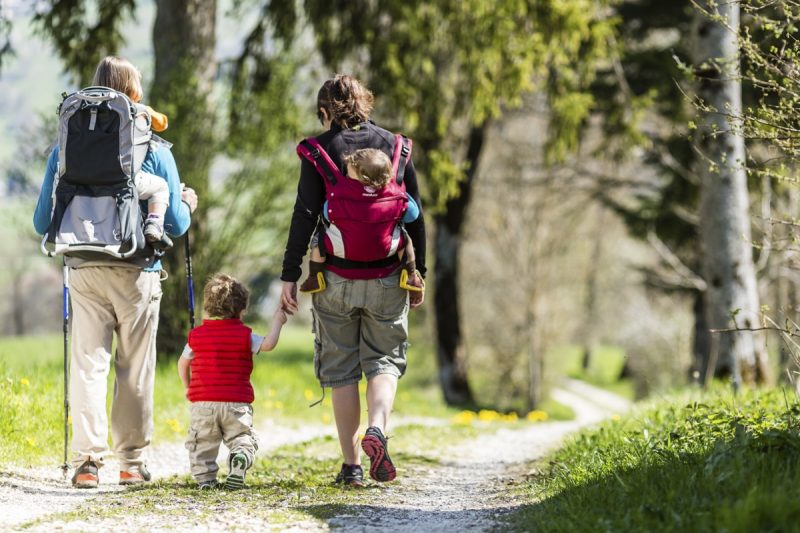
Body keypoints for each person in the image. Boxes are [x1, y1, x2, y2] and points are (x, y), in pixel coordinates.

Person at [33, 56, 198, 489]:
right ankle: (131, 461)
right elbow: (177, 226)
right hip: (137, 268)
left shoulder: (65, 148)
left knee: (88, 364)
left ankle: (87, 463)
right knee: (134, 367)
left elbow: (39, 222)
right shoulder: (156, 150)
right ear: (134, 94)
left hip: (84, 266)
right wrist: (186, 204)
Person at [280, 74, 426, 487]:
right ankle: (377, 428)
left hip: (335, 280)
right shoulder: (397, 149)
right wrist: (420, 273)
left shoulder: (318, 153)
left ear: (325, 111)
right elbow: (416, 217)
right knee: (383, 362)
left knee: (343, 371)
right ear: (367, 105)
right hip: (389, 278)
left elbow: (304, 216)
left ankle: (351, 467)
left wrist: (290, 275)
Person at [178, 274, 287, 490]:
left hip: (203, 405)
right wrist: (277, 322)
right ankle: (240, 456)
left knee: (202, 445)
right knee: (241, 437)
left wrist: (188, 386)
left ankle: (206, 481)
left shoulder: (196, 335)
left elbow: (182, 363)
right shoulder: (245, 335)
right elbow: (268, 345)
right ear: (242, 310)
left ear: (208, 308)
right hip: (236, 404)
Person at [299, 147, 424, 294]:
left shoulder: (341, 195)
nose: (346, 175)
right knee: (406, 240)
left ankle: (314, 278)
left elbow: (327, 214)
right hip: (385, 250)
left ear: (363, 177)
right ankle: (410, 275)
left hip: (342, 249)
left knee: (318, 242)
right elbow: (413, 215)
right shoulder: (395, 196)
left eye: (350, 173)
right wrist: (402, 195)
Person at [94, 56, 173, 247]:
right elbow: (163, 123)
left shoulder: (90, 111)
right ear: (132, 87)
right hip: (123, 179)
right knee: (161, 187)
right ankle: (154, 223)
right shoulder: (137, 109)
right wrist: (145, 110)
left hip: (89, 180)